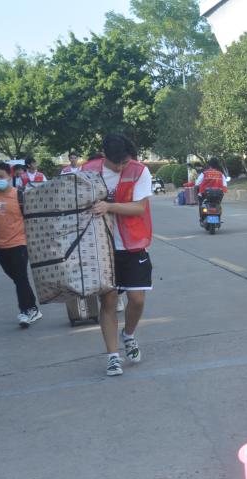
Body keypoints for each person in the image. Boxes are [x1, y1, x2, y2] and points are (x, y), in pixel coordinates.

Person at [83, 134, 154, 377]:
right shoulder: (88, 170)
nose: (121, 167)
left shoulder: (139, 171)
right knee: (109, 301)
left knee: (137, 299)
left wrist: (109, 206)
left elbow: (139, 207)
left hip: (132, 243)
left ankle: (128, 335)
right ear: (105, 156)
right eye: (117, 164)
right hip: (101, 245)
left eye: (125, 162)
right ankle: (113, 357)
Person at [0, 162, 42, 327]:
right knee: (18, 278)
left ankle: (25, 311)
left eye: (1, 176)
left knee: (20, 277)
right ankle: (33, 308)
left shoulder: (20, 195)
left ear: (9, 176)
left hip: (19, 243)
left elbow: (32, 219)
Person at [194, 158, 229, 222]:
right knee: (218, 205)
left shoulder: (204, 173)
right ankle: (219, 218)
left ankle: (201, 218)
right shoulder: (220, 174)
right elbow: (225, 185)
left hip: (205, 194)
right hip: (218, 194)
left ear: (209, 165)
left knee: (201, 204)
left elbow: (197, 184)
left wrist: (196, 195)